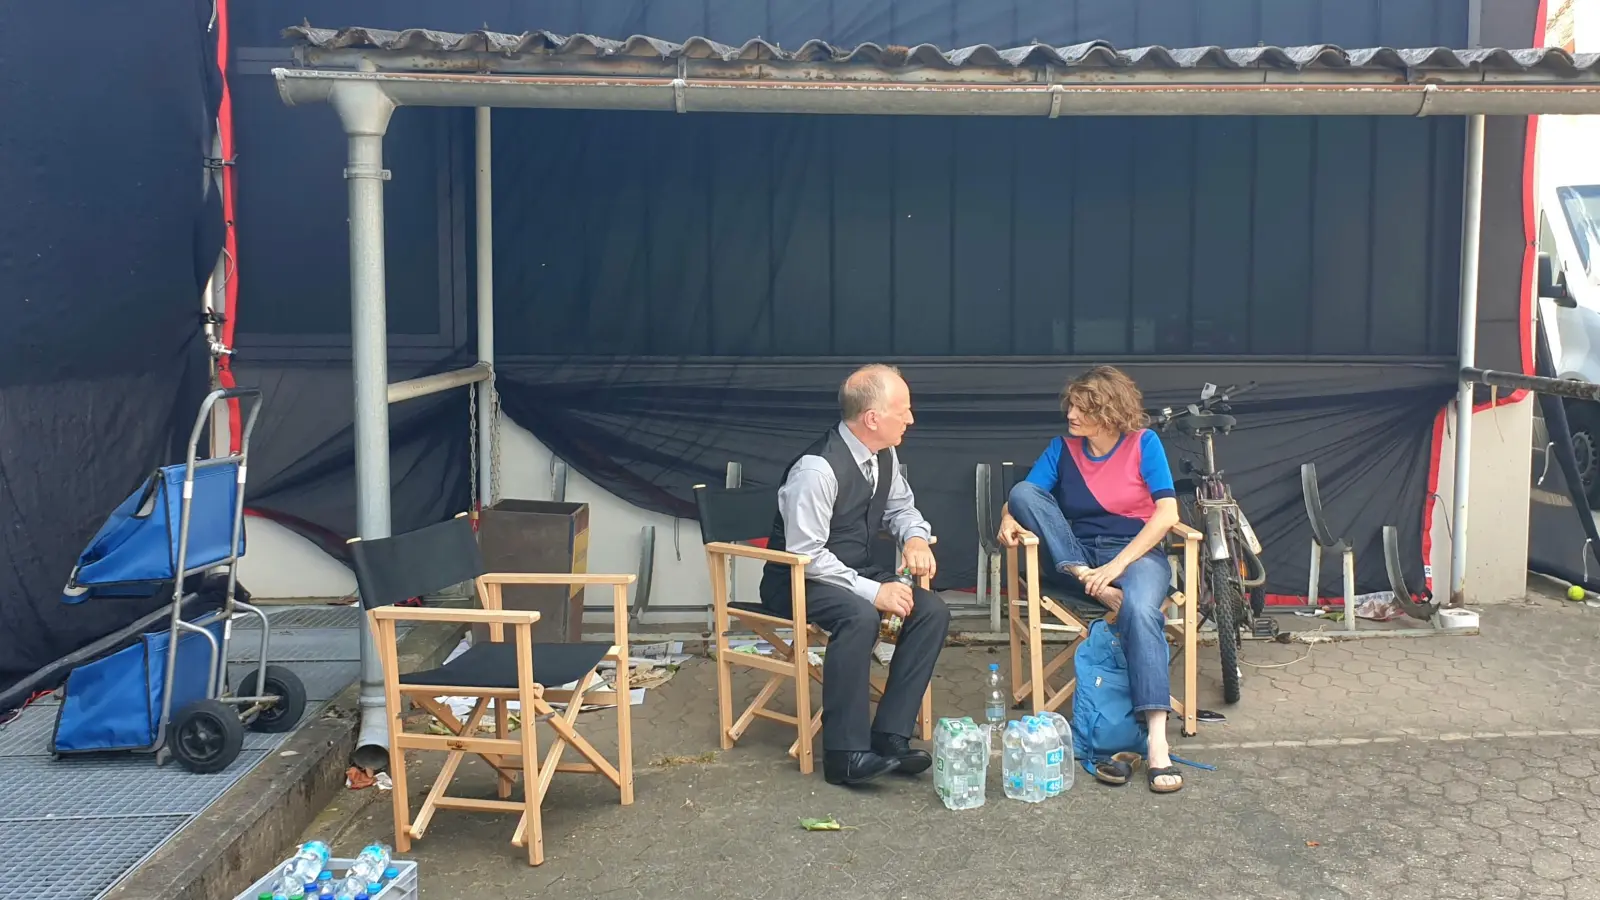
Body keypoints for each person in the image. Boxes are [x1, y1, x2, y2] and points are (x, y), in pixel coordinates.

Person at [996, 365, 1187, 794]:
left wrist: (1116, 568)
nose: (1072, 415)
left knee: (1141, 611)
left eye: (1083, 409)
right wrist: (1008, 518)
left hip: (1135, 554)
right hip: (1075, 555)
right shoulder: (1062, 448)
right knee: (1022, 493)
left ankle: (1157, 743)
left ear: (1111, 412)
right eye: (1072, 406)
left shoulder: (1143, 443)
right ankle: (1089, 580)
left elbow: (1167, 514)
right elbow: (1025, 496)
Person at [759, 364, 950, 786]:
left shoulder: (885, 454)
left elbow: (901, 508)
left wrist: (915, 538)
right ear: (872, 418)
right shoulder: (816, 470)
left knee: (932, 611)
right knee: (859, 616)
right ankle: (844, 754)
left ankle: (890, 736)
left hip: (853, 571)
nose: (911, 419)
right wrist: (873, 592)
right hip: (796, 580)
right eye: (904, 410)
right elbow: (806, 555)